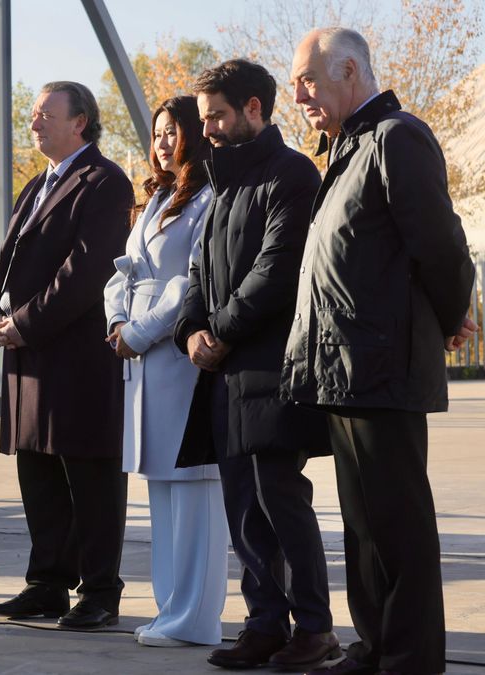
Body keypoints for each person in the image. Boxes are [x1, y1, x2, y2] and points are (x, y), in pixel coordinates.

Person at [283, 28, 478, 675]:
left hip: (381, 365)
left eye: (308, 78)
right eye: (295, 81)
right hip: (343, 370)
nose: (298, 92)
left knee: (398, 527)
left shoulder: (397, 137)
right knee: (363, 528)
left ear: (349, 70)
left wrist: (452, 316)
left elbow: (441, 244)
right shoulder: (346, 147)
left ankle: (411, 659)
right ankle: (374, 646)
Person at [173, 59, 341, 670]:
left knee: (279, 501)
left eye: (218, 114)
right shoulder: (223, 184)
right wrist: (190, 329)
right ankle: (265, 624)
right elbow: (198, 270)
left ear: (254, 108)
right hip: (224, 373)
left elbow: (278, 268)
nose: (208, 127)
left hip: (272, 371)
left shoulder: (291, 173)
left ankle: (315, 631)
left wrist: (216, 331)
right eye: (204, 116)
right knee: (242, 508)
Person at [0, 81, 131, 629]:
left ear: (81, 121)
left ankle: (99, 592)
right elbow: (2, 266)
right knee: (38, 473)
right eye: (34, 114)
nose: (35, 122)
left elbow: (88, 272)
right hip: (27, 359)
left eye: (46, 114)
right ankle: (47, 584)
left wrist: (24, 323)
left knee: (90, 479)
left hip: (76, 358)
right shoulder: (34, 186)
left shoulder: (105, 181)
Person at [102, 95, 226, 648]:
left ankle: (195, 617)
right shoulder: (156, 199)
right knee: (161, 490)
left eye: (172, 130)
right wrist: (117, 319)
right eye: (156, 133)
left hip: (177, 352)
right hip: (144, 357)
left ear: (196, 135)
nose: (162, 142)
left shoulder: (210, 197)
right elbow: (122, 271)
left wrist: (140, 330)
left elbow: (189, 284)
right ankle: (168, 609)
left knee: (195, 489)